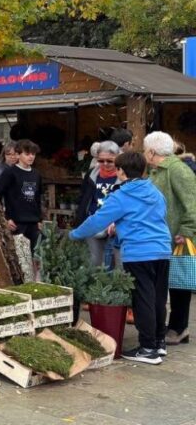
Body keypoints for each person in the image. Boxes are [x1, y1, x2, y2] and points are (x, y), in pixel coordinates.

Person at [70, 150, 172, 364]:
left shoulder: (121, 196)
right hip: (162, 249)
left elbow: (97, 221)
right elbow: (161, 215)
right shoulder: (154, 191)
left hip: (139, 252)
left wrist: (73, 234)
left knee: (142, 298)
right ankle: (159, 342)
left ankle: (147, 349)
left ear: (121, 171)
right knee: (158, 297)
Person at [144, 131, 196, 346]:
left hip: (178, 236)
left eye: (145, 150)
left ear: (152, 151)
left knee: (180, 282)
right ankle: (173, 326)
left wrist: (186, 230)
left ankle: (179, 327)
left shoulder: (177, 170)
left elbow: (192, 201)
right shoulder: (158, 170)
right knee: (171, 281)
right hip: (163, 235)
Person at [76, 141, 122, 269]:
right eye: (101, 161)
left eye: (109, 161)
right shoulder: (92, 174)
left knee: (118, 264)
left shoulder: (124, 176)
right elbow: (83, 198)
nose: (105, 164)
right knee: (95, 262)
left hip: (115, 226)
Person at [0, 139, 44, 250]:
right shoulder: (9, 173)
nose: (31, 157)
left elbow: (38, 199)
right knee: (19, 258)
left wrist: (40, 219)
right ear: (18, 154)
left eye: (33, 154)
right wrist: (5, 219)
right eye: (27, 154)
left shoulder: (36, 174)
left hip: (33, 223)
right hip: (16, 224)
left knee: (34, 257)